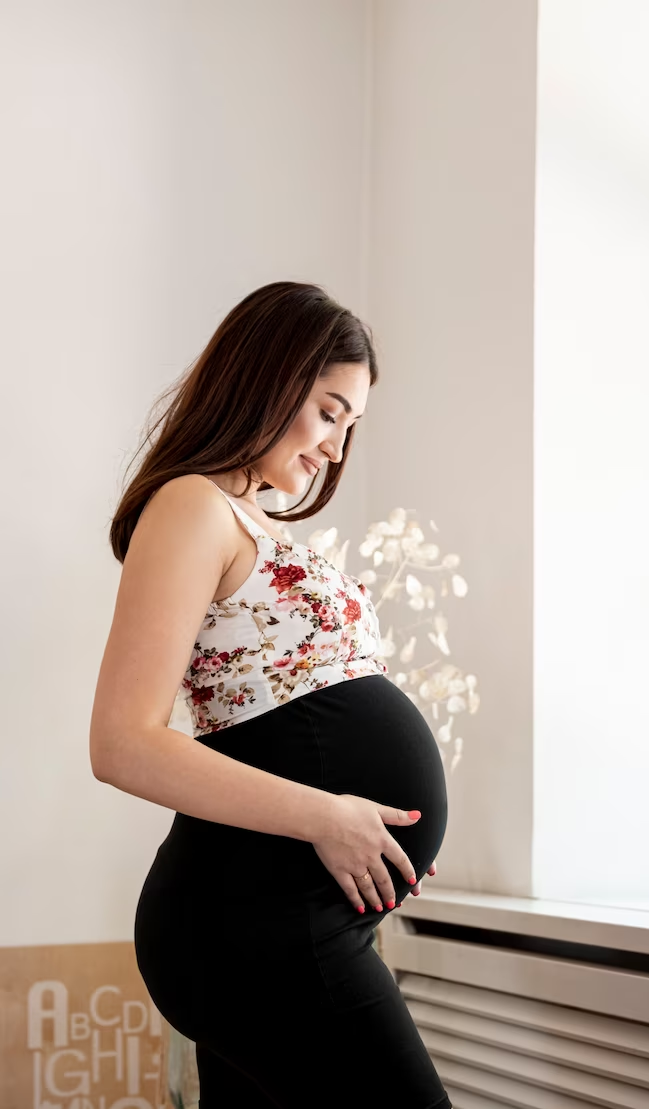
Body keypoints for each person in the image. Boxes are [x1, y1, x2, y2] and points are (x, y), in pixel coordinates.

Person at [89, 281, 450, 1108]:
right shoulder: (192, 504)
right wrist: (331, 815)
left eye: (348, 425)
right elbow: (122, 740)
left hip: (284, 915)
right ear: (270, 377)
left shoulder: (253, 521)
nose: (333, 446)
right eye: (328, 411)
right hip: (252, 922)